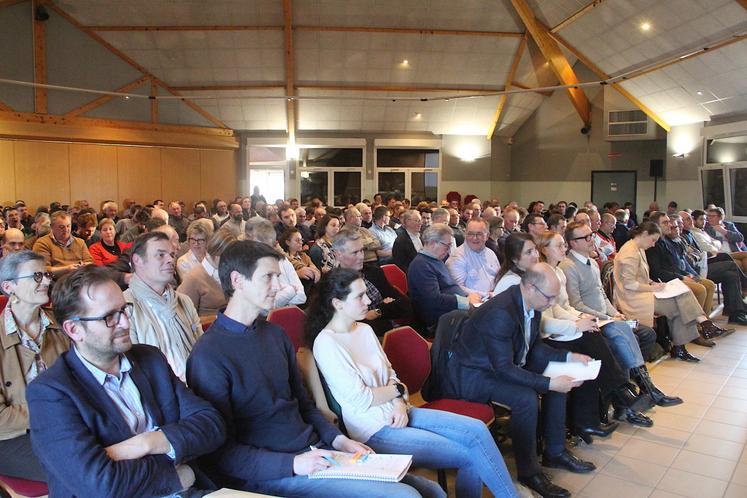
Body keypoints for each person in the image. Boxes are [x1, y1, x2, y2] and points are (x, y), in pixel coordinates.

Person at [186, 241, 444, 498]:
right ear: (237, 280)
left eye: (278, 276)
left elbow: (304, 404)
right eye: (269, 277)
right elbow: (220, 450)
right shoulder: (209, 355)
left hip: (315, 450)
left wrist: (338, 440)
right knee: (406, 495)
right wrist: (293, 464)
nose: (279, 286)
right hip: (271, 472)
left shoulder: (275, 335)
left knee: (429, 490)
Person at [308, 268, 518, 498]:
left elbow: (391, 374)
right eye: (359, 296)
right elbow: (361, 398)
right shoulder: (327, 343)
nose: (368, 300)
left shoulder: (365, 329)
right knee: (471, 455)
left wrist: (399, 401)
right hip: (373, 429)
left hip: (399, 410)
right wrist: (396, 391)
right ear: (337, 304)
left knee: (476, 431)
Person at [27, 265, 225, 497]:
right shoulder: (50, 393)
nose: (125, 323)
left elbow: (212, 425)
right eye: (109, 317)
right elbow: (99, 484)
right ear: (74, 329)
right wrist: (178, 474)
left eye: (124, 310)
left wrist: (148, 443)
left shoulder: (150, 359)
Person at [442, 264, 595, 498]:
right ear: (531, 287)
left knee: (555, 378)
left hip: (499, 365)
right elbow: (503, 369)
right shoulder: (501, 312)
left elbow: (533, 348)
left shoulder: (532, 303)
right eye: (550, 297)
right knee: (526, 397)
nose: (552, 303)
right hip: (473, 374)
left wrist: (568, 357)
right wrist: (548, 383)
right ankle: (529, 472)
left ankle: (554, 452)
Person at [536, 232, 653, 431]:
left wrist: (581, 319)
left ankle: (614, 401)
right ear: (544, 250)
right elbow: (545, 319)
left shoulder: (559, 272)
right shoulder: (543, 274)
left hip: (564, 326)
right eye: (559, 246)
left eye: (564, 245)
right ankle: (622, 392)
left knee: (607, 338)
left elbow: (562, 307)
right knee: (599, 342)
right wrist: (576, 323)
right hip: (549, 336)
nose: (564, 249)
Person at [561, 222, 681, 407]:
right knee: (624, 337)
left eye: (590, 235)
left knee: (647, 333)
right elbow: (576, 304)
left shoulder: (592, 262)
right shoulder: (569, 266)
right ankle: (639, 391)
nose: (591, 239)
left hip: (606, 318)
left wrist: (616, 313)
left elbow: (602, 295)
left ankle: (633, 385)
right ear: (572, 243)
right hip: (592, 321)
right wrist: (607, 318)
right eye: (585, 237)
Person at [0, 251, 68, 482]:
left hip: (70, 422)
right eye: (37, 276)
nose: (47, 281)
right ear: (9, 286)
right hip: (14, 437)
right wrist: (57, 411)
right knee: (77, 468)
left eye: (47, 274)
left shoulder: (60, 323)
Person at [614, 222, 708, 362]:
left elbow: (642, 277)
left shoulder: (637, 248)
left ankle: (695, 332)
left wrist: (653, 283)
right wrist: (652, 288)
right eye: (653, 240)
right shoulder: (629, 253)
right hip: (633, 298)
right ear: (644, 234)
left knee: (682, 291)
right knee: (679, 307)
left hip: (642, 292)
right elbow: (628, 284)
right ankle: (699, 327)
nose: (653, 245)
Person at [125, 232, 203, 381]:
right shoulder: (125, 307)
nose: (170, 260)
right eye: (160, 255)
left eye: (172, 255)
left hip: (198, 382)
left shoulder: (184, 301)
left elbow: (202, 349)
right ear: (138, 260)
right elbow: (134, 368)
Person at [333, 228, 411, 336]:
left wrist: (376, 312)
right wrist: (383, 306)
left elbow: (404, 304)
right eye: (355, 253)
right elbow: (343, 324)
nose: (361, 256)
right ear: (338, 254)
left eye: (362, 250)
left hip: (386, 331)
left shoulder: (374, 272)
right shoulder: (332, 283)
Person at [408, 224, 480, 334]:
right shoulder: (421, 265)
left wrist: (469, 296)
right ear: (432, 243)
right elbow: (433, 300)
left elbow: (450, 286)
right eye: (447, 245)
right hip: (439, 320)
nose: (449, 249)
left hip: (452, 311)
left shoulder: (435, 260)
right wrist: (466, 301)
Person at [178, 230, 235, 317]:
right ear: (214, 254)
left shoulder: (230, 272)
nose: (231, 262)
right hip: (208, 327)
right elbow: (184, 317)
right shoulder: (194, 278)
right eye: (227, 257)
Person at [446, 218, 500, 300]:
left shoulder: (491, 253)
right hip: (475, 304)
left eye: (479, 234)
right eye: (470, 234)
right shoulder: (457, 257)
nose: (474, 238)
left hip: (495, 298)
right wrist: (487, 294)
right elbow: (457, 288)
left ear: (487, 236)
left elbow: (498, 277)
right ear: (465, 234)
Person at [32, 211, 94, 278]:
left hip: (79, 280)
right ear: (52, 227)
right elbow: (42, 270)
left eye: (68, 226)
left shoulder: (80, 242)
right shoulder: (42, 243)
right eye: (61, 227)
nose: (66, 229)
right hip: (55, 283)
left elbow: (90, 262)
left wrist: (85, 265)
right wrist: (66, 269)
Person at [278, 227, 321, 296]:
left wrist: (314, 270)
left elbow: (316, 271)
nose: (301, 243)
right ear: (288, 242)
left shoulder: (304, 256)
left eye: (301, 240)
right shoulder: (282, 259)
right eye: (297, 240)